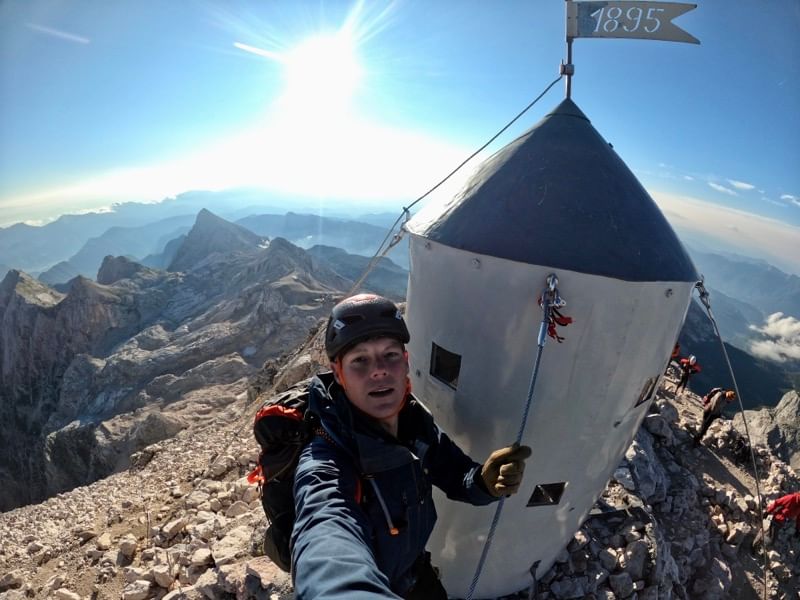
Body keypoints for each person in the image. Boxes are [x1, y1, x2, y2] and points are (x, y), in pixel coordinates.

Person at [291, 294, 532, 599]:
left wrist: (483, 483)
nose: (379, 370)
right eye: (360, 360)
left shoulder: (414, 422)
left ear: (406, 362)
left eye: (390, 354)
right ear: (338, 374)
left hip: (418, 577)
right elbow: (326, 536)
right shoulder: (327, 460)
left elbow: (455, 474)